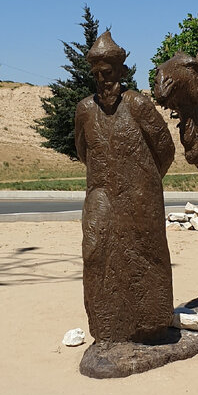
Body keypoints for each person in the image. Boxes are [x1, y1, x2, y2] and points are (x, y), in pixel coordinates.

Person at [74, 32, 175, 343]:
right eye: (96, 75)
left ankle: (151, 326)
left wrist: (144, 182)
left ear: (120, 72)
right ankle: (107, 330)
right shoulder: (85, 110)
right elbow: (82, 151)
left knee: (145, 256)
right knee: (95, 254)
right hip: (100, 193)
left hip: (140, 196)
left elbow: (165, 148)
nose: (103, 81)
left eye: (108, 73)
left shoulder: (138, 105)